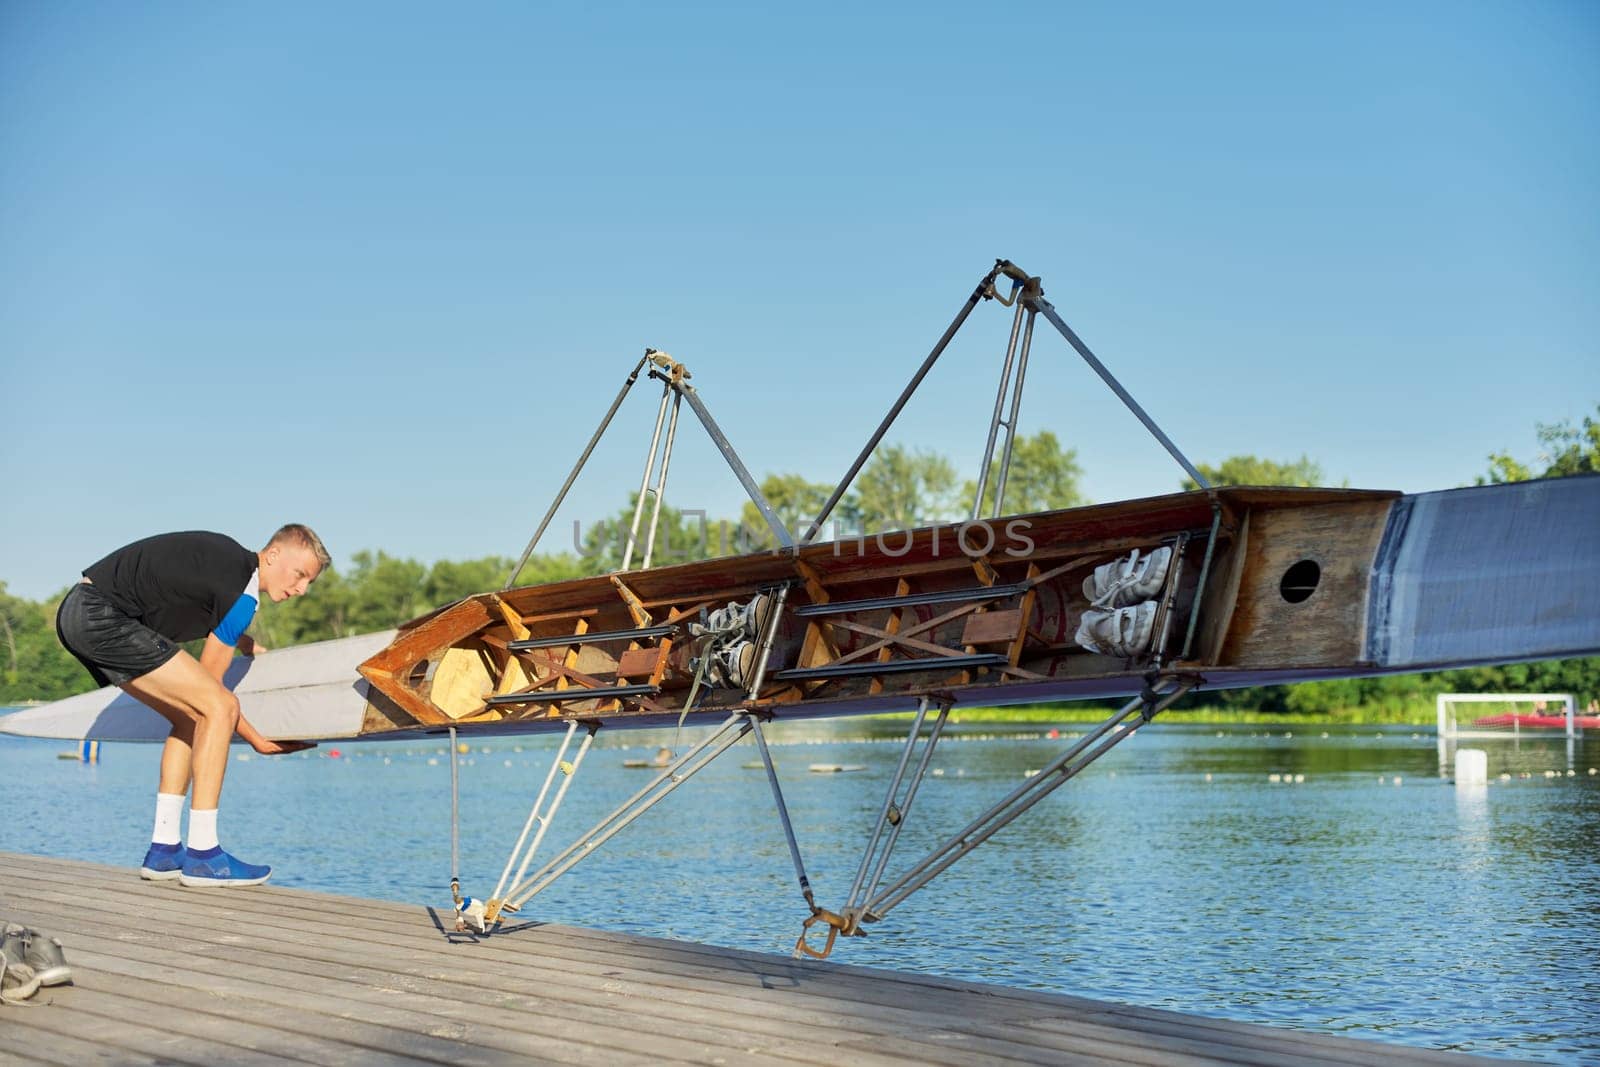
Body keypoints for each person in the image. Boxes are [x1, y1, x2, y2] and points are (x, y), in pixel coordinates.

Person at [54, 526, 330, 887]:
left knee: (188, 716)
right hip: (102, 616)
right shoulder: (242, 594)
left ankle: (165, 849)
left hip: (78, 612)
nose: (301, 589)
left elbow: (179, 601)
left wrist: (243, 642)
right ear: (273, 555)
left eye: (309, 582)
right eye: (300, 575)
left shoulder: (226, 566)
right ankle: (205, 855)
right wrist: (257, 739)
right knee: (216, 707)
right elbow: (213, 694)